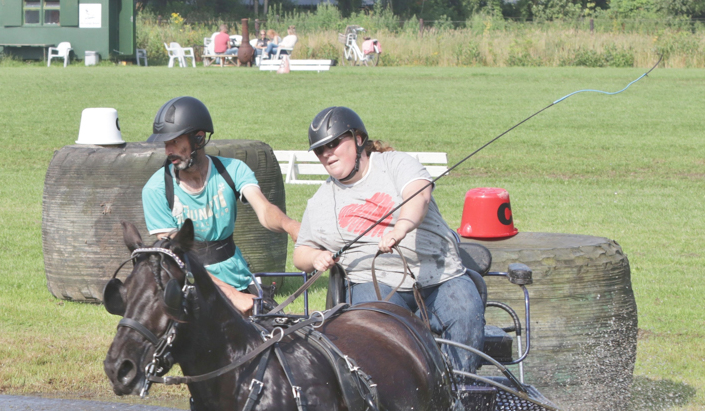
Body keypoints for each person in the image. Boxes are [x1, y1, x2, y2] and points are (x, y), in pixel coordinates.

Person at [292, 107, 485, 373]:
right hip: (374, 283)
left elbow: (420, 195)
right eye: (320, 150)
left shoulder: (396, 164)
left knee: (465, 309)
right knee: (380, 334)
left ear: (358, 138)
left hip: (440, 275)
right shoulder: (320, 202)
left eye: (334, 143)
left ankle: (461, 388)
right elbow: (300, 253)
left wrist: (401, 227)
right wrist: (314, 257)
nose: (327, 153)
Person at [142, 97, 300, 314]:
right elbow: (177, 257)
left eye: (175, 142)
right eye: (165, 143)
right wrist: (233, 296)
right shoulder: (156, 189)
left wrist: (290, 225)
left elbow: (264, 210)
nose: (168, 150)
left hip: (237, 275)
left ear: (198, 139)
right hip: (189, 284)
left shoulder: (232, 170)